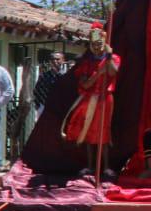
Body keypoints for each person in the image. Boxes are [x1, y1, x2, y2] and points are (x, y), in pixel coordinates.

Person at [62, 23, 120, 180]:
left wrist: (108, 57)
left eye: (99, 43)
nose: (97, 46)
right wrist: (97, 74)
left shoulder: (112, 58)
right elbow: (85, 84)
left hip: (105, 98)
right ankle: (90, 166)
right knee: (87, 132)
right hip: (89, 98)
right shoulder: (85, 62)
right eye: (94, 43)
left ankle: (106, 167)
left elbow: (113, 72)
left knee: (104, 131)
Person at [33, 51, 66, 117]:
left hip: (60, 109)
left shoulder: (66, 76)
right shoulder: (44, 76)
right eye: (52, 59)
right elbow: (36, 90)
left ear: (63, 61)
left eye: (57, 59)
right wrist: (38, 106)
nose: (54, 61)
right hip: (44, 107)